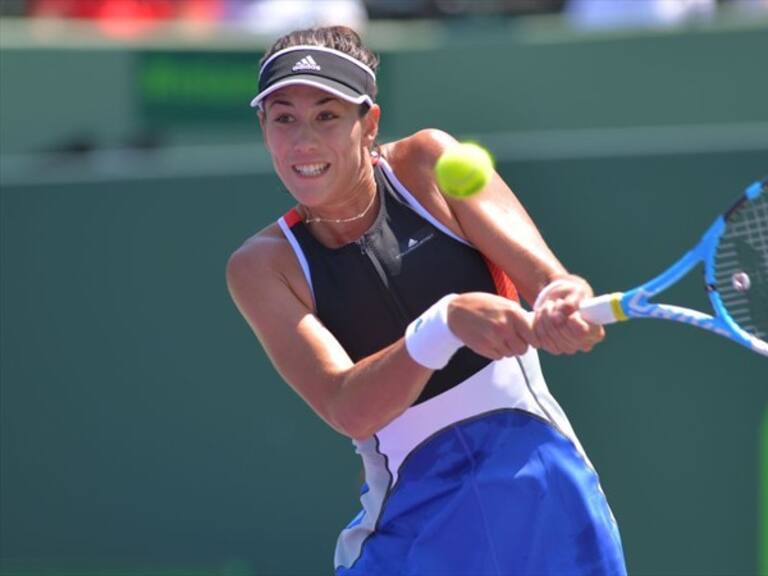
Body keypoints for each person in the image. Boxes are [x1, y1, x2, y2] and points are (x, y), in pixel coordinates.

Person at [227, 25, 627, 575]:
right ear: (264, 128)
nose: (303, 141)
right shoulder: (261, 266)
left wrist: (564, 302)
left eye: (327, 115)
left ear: (369, 123)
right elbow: (348, 408)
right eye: (284, 118)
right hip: (412, 536)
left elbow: (549, 281)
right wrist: (446, 324)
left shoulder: (430, 163)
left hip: (546, 502)